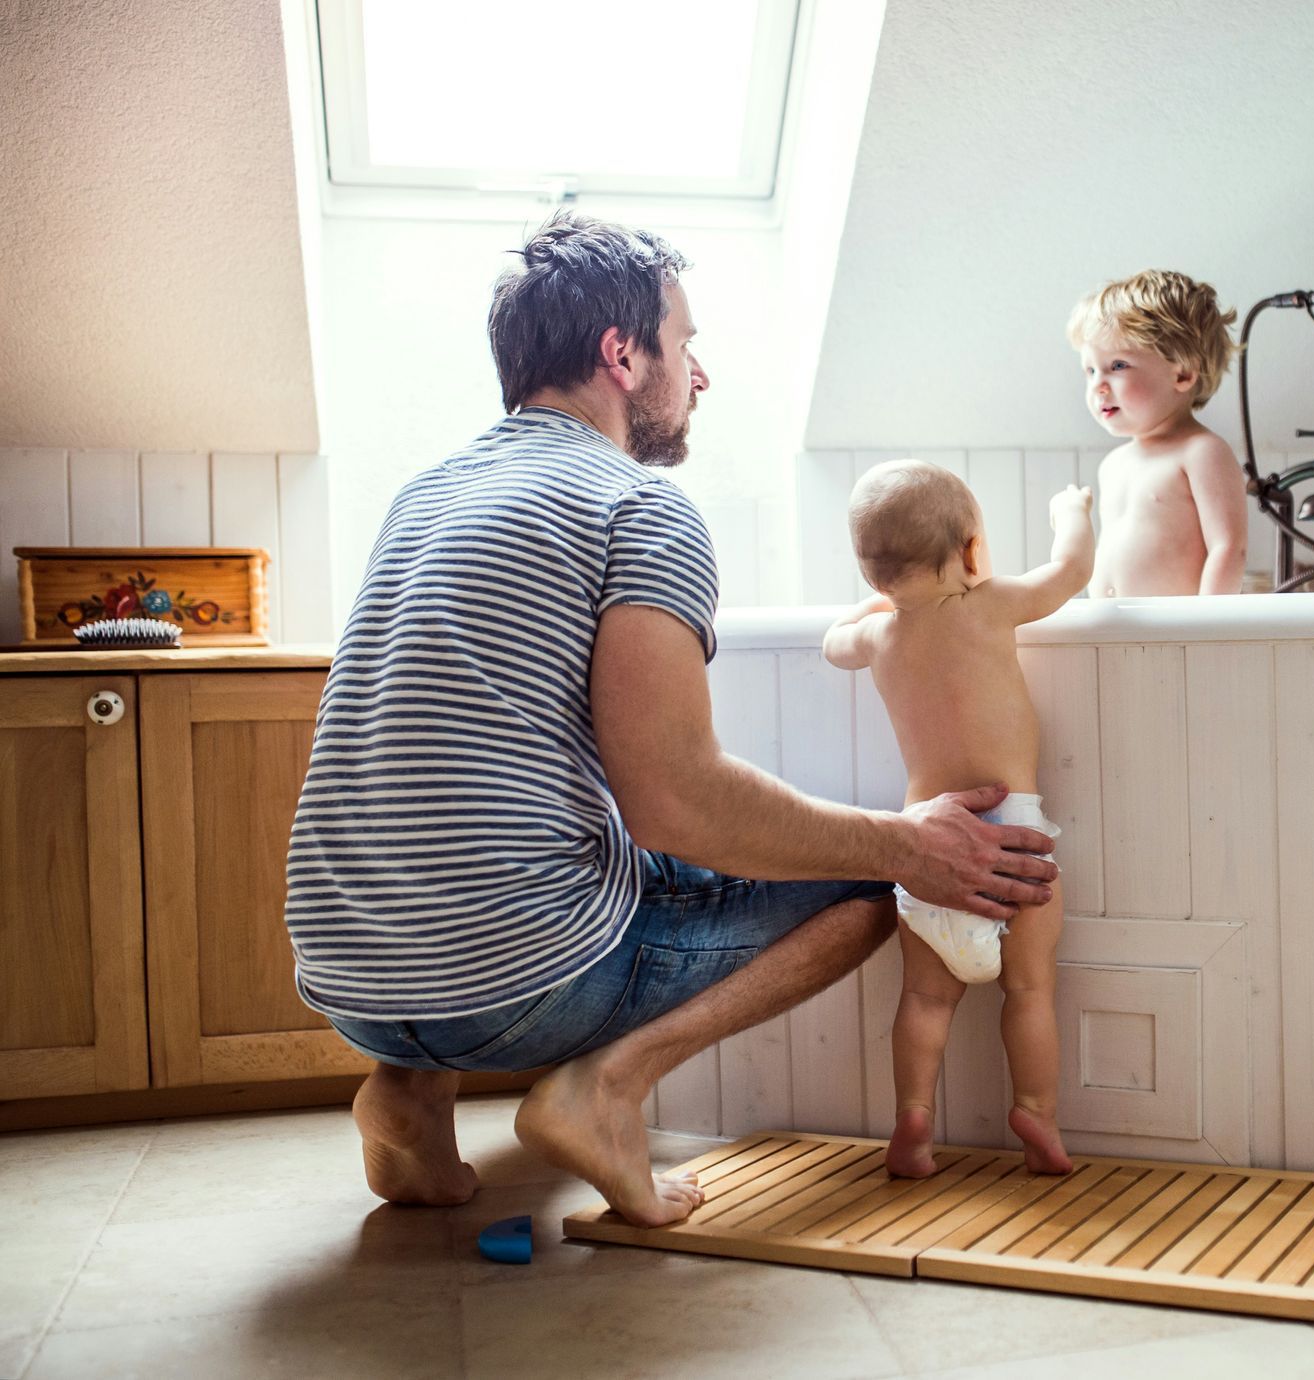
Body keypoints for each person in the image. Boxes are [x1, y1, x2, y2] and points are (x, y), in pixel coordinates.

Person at [284, 211, 1058, 1228]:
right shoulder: (635, 506)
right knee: (880, 869)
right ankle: (605, 1089)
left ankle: (405, 1094)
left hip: (348, 977)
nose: (700, 376)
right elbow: (674, 800)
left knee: (544, 842)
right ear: (622, 354)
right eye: (685, 345)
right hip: (508, 982)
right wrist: (908, 843)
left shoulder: (427, 494)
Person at [822, 460, 1095, 1178]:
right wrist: (1073, 512)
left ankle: (913, 1121)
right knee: (1030, 989)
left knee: (923, 999)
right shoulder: (993, 603)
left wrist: (874, 607)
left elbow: (831, 643)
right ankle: (1035, 1112)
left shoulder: (880, 638)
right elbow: (1070, 573)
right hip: (1014, 841)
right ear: (973, 553)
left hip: (929, 849)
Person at [1068, 269, 1248, 597]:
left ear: (1182, 374)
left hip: (1174, 632)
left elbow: (1228, 547)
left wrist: (1205, 627)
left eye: (1118, 366)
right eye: (1090, 370)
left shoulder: (1200, 452)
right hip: (1111, 628)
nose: (1098, 386)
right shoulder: (1113, 464)